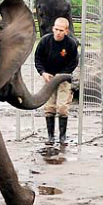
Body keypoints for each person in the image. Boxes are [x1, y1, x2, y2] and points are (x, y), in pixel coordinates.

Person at [34, 17, 79, 146]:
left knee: (62, 107)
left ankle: (62, 136)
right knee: (49, 107)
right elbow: (38, 59)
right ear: (53, 28)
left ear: (66, 31)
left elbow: (74, 62)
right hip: (49, 79)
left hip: (64, 79)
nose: (58, 32)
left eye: (61, 30)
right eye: (56, 29)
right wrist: (43, 73)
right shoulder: (45, 41)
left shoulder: (70, 44)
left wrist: (63, 74)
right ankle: (50, 136)